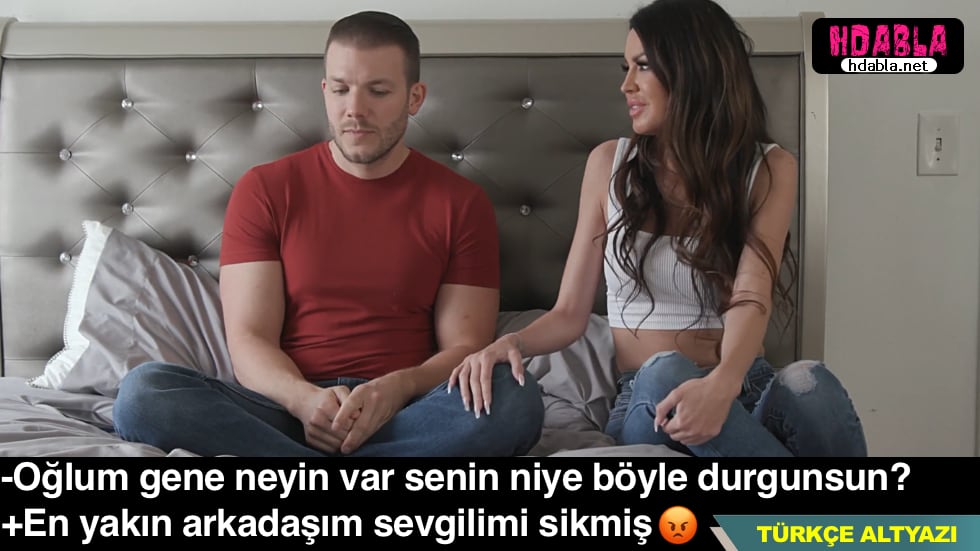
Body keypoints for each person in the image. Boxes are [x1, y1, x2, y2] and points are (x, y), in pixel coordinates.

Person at [113, 10, 545, 457]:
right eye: (340, 90)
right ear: (325, 91)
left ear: (415, 97)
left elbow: (465, 347)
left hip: (408, 410)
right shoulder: (265, 189)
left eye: (378, 91)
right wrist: (305, 401)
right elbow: (249, 339)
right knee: (144, 395)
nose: (354, 109)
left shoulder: (461, 202)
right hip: (287, 410)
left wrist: (397, 388)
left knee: (514, 397)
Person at [449, 0, 867, 457]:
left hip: (743, 386)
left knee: (812, 383)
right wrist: (510, 342)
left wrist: (724, 383)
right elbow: (569, 313)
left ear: (694, 70)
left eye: (643, 66)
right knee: (668, 369)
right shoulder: (609, 164)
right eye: (626, 67)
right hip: (650, 396)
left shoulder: (769, 167)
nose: (626, 84)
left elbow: (751, 295)